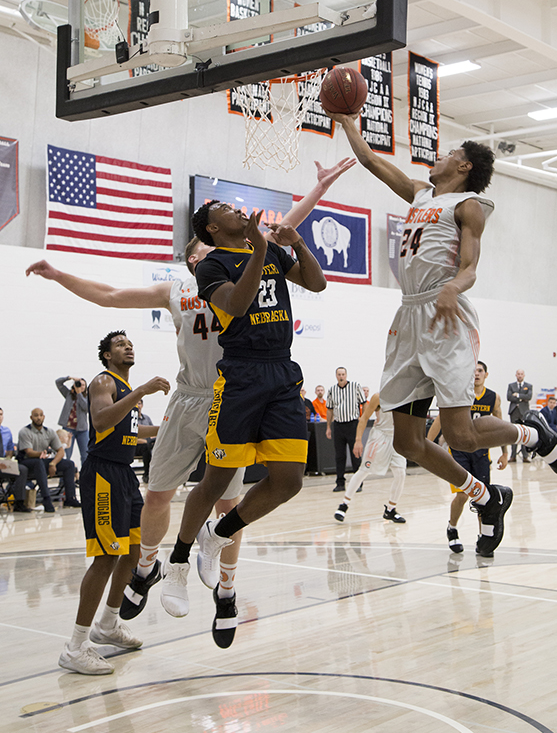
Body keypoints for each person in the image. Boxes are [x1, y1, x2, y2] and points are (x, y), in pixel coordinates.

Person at [27, 158, 352, 648]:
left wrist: (318, 189)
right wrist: (59, 275)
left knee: (229, 499)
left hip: (238, 389)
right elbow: (111, 294)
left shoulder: (247, 256)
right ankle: (149, 565)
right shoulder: (181, 287)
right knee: (158, 492)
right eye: (204, 243)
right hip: (191, 395)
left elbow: (279, 232)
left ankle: (225, 588)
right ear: (194, 256)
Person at [327, 110, 557, 557]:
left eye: (450, 153)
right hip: (408, 318)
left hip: (446, 316)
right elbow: (371, 161)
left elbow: (471, 267)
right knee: (407, 441)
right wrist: (345, 121)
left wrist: (451, 289)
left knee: (461, 436)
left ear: (464, 167)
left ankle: (532, 434)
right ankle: (486, 496)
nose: (438, 157)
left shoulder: (468, 205)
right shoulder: (420, 194)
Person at [161, 194, 327, 627]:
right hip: (240, 375)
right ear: (211, 228)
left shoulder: (269, 247)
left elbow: (316, 283)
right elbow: (236, 304)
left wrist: (297, 244)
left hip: (282, 371)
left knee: (289, 481)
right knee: (215, 481)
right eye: (222, 208)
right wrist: (258, 249)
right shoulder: (211, 265)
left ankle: (218, 534)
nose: (234, 208)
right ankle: (177, 563)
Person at [58, 330, 168, 675]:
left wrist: (171, 426)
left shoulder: (129, 394)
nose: (128, 346)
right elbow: (103, 420)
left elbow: (129, 434)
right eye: (120, 344)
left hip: (124, 475)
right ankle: (75, 647)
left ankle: (108, 624)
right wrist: (142, 390)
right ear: (106, 355)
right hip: (102, 474)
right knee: (106, 557)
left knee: (134, 551)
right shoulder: (103, 382)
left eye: (130, 343)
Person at [427, 361, 508, 554]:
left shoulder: (493, 397)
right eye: (473, 371)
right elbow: (440, 419)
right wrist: (426, 445)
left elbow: (499, 424)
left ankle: (484, 538)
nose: (477, 374)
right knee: (462, 495)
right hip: (458, 451)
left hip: (481, 452)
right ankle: (452, 528)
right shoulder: (460, 394)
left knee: (483, 498)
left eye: (480, 371)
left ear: (486, 374)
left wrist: (505, 452)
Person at [333, 392, 406, 524]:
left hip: (398, 437)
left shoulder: (406, 396)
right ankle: (344, 504)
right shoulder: (378, 396)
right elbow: (364, 417)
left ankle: (391, 509)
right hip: (379, 436)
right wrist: (358, 440)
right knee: (364, 470)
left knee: (400, 473)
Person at [17, 409, 81, 513]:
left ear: (44, 417)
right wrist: (40, 454)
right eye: (36, 415)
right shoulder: (25, 431)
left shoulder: (49, 432)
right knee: (38, 463)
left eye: (41, 415)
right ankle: (46, 499)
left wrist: (53, 463)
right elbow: (29, 452)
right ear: (31, 417)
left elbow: (61, 451)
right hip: (27, 462)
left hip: (43, 461)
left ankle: (70, 498)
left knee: (69, 464)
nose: (38, 417)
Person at [326, 367, 367, 492]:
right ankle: (340, 483)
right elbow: (329, 409)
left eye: (343, 374)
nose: (341, 376)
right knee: (340, 456)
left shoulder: (355, 386)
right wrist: (328, 427)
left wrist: (362, 419)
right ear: (336, 376)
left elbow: (364, 403)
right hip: (338, 425)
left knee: (355, 455)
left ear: (346, 375)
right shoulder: (332, 390)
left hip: (352, 424)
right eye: (339, 374)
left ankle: (358, 483)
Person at [0, 407, 31, 513]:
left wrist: (7, 461)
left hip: (3, 463)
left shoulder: (6, 431)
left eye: (0, 414)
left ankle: (19, 502)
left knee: (22, 469)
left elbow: (9, 450)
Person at [55, 376, 89, 465]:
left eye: (83, 385)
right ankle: (65, 476)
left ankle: (85, 476)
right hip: (68, 428)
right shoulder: (69, 394)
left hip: (82, 430)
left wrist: (79, 394)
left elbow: (86, 408)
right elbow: (58, 383)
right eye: (79, 384)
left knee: (85, 454)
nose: (81, 386)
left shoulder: (88, 397)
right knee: (66, 453)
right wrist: (69, 378)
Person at [507, 370, 534, 462]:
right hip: (514, 411)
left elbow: (529, 397)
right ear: (516, 375)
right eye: (518, 374)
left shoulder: (528, 386)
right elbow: (509, 397)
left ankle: (525, 456)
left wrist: (517, 395)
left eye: (521, 374)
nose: (520, 375)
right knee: (513, 433)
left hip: (524, 412)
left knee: (525, 434)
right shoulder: (511, 385)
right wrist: (522, 397)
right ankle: (513, 455)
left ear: (524, 375)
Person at [135, 399, 154, 483]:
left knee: (154, 444)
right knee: (147, 447)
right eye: (136, 404)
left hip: (147, 444)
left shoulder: (147, 418)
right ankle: (147, 475)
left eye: (139, 403)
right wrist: (144, 441)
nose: (138, 406)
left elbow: (153, 432)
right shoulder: (130, 419)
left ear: (142, 405)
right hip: (135, 446)